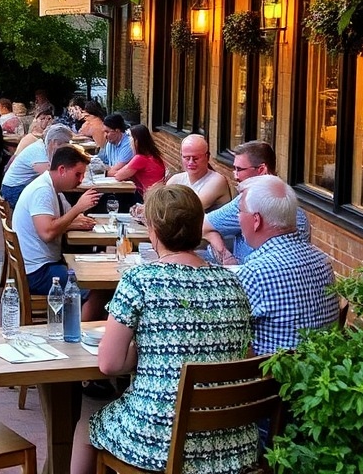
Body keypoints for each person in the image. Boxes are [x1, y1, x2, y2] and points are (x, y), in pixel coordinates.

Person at [71, 183, 256, 474]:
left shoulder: (140, 280)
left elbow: (109, 364)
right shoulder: (234, 283)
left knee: (86, 426)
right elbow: (243, 354)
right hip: (231, 441)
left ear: (153, 229)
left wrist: (147, 351)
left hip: (159, 438)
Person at [235, 175, 339, 355]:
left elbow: (229, 335)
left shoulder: (255, 273)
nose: (237, 217)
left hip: (270, 378)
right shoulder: (323, 261)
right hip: (319, 370)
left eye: (240, 211)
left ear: (256, 220)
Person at [12, 145, 101, 318]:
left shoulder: (53, 189)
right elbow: (47, 233)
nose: (81, 180)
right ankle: (79, 336)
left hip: (43, 264)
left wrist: (74, 220)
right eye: (77, 174)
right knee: (95, 289)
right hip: (38, 272)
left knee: (89, 269)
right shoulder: (42, 191)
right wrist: (77, 209)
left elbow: (62, 220)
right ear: (62, 170)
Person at [202, 140, 311, 264]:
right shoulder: (290, 201)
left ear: (261, 170)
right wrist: (225, 254)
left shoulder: (246, 201)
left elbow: (202, 226)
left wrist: (225, 257)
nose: (235, 176)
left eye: (239, 169)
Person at [0, 123, 74, 207]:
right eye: (64, 144)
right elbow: (52, 176)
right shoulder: (39, 152)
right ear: (54, 142)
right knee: (49, 201)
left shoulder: (43, 146)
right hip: (14, 189)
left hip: (20, 186)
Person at [167, 133, 230, 210]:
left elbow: (192, 209)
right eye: (186, 158)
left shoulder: (217, 180)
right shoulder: (176, 180)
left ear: (207, 157)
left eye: (196, 158)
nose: (191, 162)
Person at [108, 124, 166, 197]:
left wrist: (107, 172)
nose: (128, 140)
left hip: (147, 197)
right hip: (156, 195)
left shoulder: (140, 158)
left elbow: (118, 176)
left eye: (129, 136)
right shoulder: (154, 156)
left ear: (136, 140)